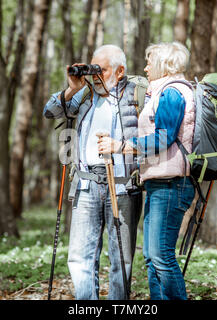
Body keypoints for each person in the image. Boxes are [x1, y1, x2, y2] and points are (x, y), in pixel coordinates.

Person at [43, 44, 143, 300]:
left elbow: (157, 140)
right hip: (86, 185)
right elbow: (50, 112)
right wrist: (73, 88)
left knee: (122, 259)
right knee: (80, 257)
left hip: (122, 186)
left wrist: (123, 148)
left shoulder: (138, 95)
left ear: (120, 72)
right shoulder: (85, 94)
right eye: (92, 68)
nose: (94, 75)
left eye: (102, 70)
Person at [98, 42, 195, 300]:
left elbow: (164, 138)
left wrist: (122, 146)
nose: (145, 68)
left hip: (172, 184)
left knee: (162, 256)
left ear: (163, 65)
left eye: (149, 63)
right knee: (152, 258)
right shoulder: (161, 91)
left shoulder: (172, 93)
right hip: (158, 183)